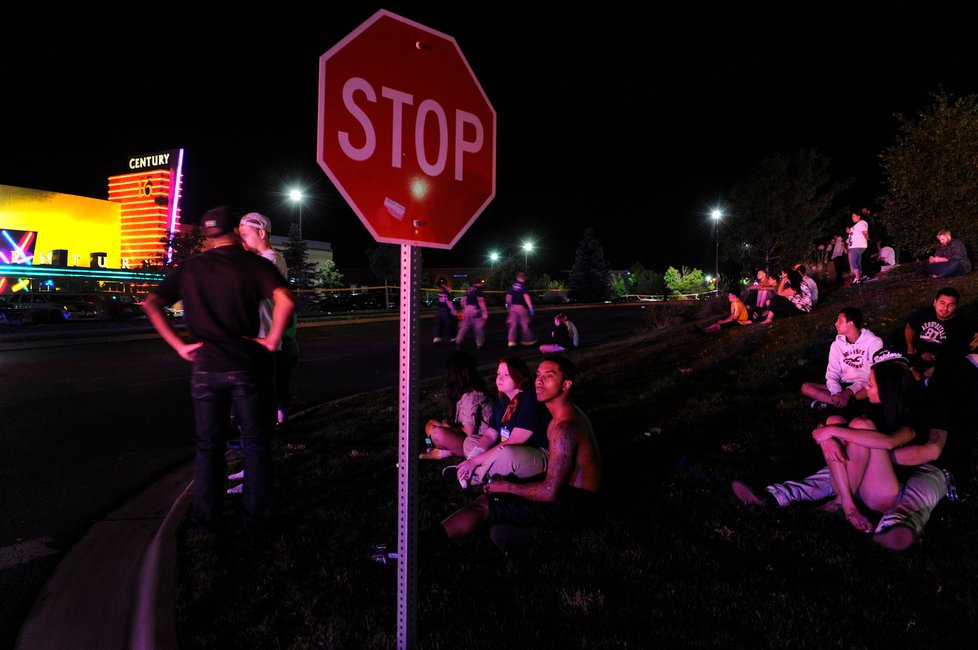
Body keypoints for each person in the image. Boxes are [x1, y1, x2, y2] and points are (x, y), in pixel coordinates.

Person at [142, 205, 295, 537]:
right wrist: (270, 341)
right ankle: (257, 519)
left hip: (205, 366)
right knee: (254, 443)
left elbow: (151, 303)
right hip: (246, 363)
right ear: (233, 231)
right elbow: (285, 298)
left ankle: (208, 520)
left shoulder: (190, 268)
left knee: (208, 446)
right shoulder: (251, 263)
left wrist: (179, 345)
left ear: (206, 234)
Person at [405, 355, 602, 559]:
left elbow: (549, 492)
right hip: (566, 494)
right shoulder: (558, 416)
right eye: (538, 375)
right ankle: (511, 529)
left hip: (572, 505)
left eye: (548, 376)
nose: (539, 381)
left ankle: (411, 548)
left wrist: (506, 487)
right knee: (496, 516)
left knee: (489, 504)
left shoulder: (564, 427)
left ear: (566, 385)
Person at [452, 356, 551, 486]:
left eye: (506, 374)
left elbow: (515, 441)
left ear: (518, 377)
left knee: (506, 454)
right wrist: (474, 456)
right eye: (498, 373)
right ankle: (479, 470)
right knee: (470, 442)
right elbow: (490, 435)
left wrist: (475, 461)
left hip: (536, 453)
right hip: (506, 446)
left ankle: (474, 476)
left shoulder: (529, 398)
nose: (499, 378)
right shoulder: (502, 400)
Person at [801, 306, 883, 411]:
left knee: (879, 386)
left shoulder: (874, 342)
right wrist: (837, 392)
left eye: (839, 321)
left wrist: (849, 392)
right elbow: (832, 372)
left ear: (850, 323)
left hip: (863, 386)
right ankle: (842, 402)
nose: (836, 324)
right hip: (843, 385)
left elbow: (871, 373)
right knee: (806, 387)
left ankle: (833, 402)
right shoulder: (836, 345)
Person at [420, 350, 494, 460]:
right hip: (467, 437)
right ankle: (432, 448)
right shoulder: (465, 392)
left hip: (477, 442)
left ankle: (441, 452)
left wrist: (448, 427)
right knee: (430, 425)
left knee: (437, 433)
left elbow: (469, 432)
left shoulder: (471, 396)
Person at [904, 287, 972, 383]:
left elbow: (959, 351)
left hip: (940, 360)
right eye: (942, 303)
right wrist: (910, 346)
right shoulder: (923, 314)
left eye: (950, 305)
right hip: (916, 353)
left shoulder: (961, 325)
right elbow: (909, 327)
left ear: (956, 306)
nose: (945, 308)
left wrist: (935, 356)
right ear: (935, 302)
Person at [454, 278, 488, 350]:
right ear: (479, 283)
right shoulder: (479, 290)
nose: (482, 285)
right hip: (475, 310)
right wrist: (484, 312)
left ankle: (458, 342)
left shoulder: (468, 289)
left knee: (463, 327)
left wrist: (464, 309)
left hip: (466, 309)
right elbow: (481, 301)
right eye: (481, 283)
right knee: (478, 327)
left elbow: (462, 301)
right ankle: (479, 343)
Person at [505, 271, 536, 347]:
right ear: (523, 278)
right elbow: (526, 297)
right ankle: (527, 340)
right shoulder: (523, 286)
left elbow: (508, 297)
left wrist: (508, 306)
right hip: (521, 307)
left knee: (512, 325)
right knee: (525, 324)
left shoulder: (512, 286)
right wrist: (530, 307)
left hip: (512, 307)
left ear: (517, 278)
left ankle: (511, 342)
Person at [431, 276, 458, 345]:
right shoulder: (447, 293)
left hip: (439, 310)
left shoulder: (440, 293)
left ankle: (437, 338)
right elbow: (449, 303)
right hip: (445, 310)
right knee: (449, 324)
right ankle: (452, 338)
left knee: (439, 324)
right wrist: (454, 311)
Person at [847, 211, 870, 284]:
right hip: (854, 246)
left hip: (857, 245)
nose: (852, 218)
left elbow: (865, 233)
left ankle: (857, 278)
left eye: (853, 216)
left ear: (858, 216)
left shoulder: (862, 222)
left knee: (853, 261)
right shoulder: (855, 226)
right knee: (857, 262)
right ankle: (859, 277)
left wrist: (865, 240)